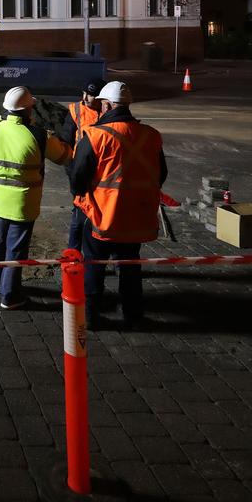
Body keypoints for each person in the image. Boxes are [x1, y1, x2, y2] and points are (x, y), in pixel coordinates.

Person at [70, 80, 167, 329]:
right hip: (137, 216)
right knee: (130, 265)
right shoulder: (151, 135)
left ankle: (91, 315)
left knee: (94, 265)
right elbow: (160, 174)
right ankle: (133, 313)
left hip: (103, 216)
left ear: (108, 105)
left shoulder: (95, 135)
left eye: (102, 104)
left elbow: (78, 178)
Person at [0, 86, 72, 310]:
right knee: (15, 250)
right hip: (23, 204)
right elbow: (64, 157)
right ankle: (10, 296)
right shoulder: (37, 135)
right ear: (27, 111)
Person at [59, 81, 102, 249]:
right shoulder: (75, 110)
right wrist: (72, 170)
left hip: (101, 172)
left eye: (90, 95)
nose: (85, 98)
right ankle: (74, 253)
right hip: (79, 169)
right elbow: (66, 141)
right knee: (78, 213)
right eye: (84, 93)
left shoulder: (107, 112)